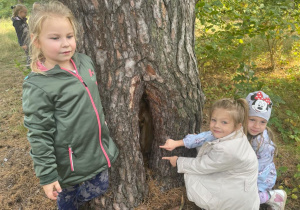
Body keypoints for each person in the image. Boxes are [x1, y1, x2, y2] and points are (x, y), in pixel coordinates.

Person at [22, 1, 119, 209]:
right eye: (55, 38)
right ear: (36, 41)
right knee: (68, 202)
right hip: (69, 165)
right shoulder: (39, 84)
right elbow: (39, 133)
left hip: (97, 151)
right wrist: (47, 175)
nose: (65, 44)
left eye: (69, 36)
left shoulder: (84, 62)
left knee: (100, 187)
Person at [160, 91, 287, 210]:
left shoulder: (263, 144)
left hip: (259, 177)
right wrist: (179, 143)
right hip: (237, 172)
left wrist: (179, 162)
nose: (256, 126)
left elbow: (259, 170)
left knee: (248, 199)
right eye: (252, 119)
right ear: (242, 119)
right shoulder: (234, 129)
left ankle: (273, 197)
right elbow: (207, 136)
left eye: (262, 122)